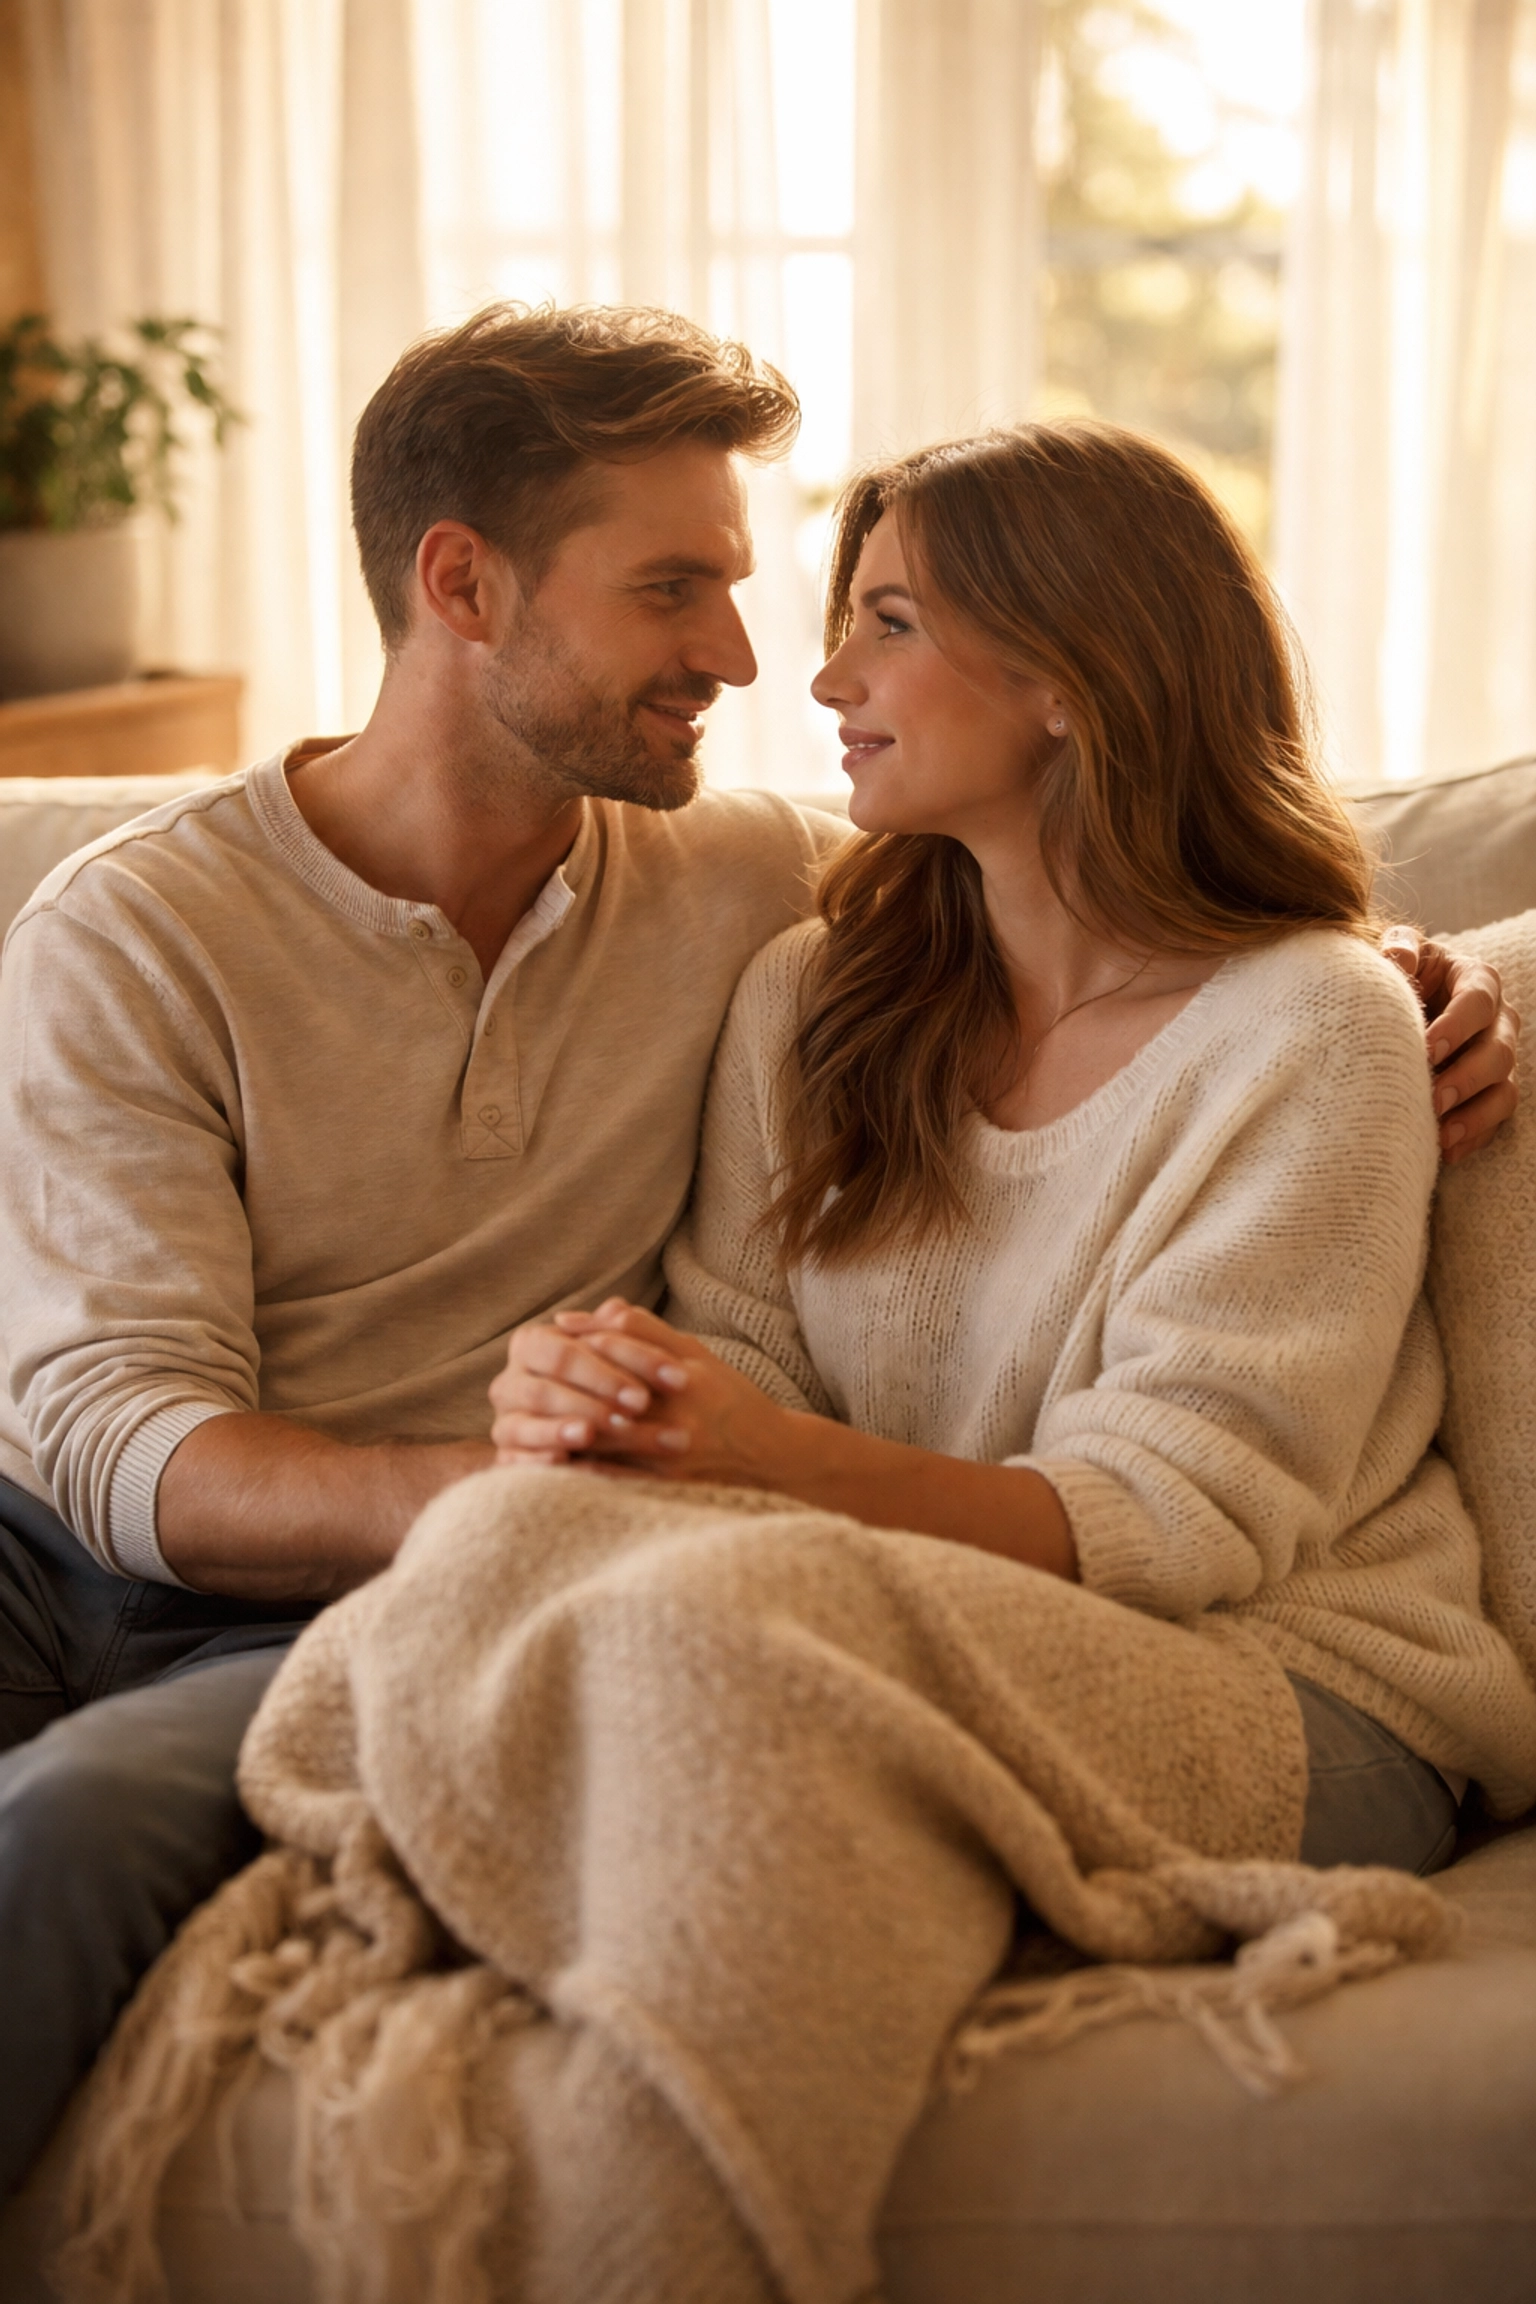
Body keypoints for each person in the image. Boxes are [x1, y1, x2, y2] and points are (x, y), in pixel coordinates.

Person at [0, 319, 1514, 2200]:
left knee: (53, 1833)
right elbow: (110, 1421)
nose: (760, 662)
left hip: (395, 1608)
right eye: (675, 588)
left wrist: (1416, 984)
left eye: (845, 612)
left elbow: (1158, 924)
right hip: (100, 1535)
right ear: (459, 584)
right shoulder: (173, 934)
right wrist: (609, 1454)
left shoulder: (737, 878)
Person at [492, 419, 1536, 1879]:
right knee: (503, 1565)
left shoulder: (1314, 1022)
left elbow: (1178, 1511)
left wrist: (766, 1459)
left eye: (891, 624)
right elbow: (746, 1350)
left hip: (1294, 1679)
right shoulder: (813, 996)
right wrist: (627, 1398)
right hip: (920, 1616)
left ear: (1067, 675)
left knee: (721, 1696)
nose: (826, 680)